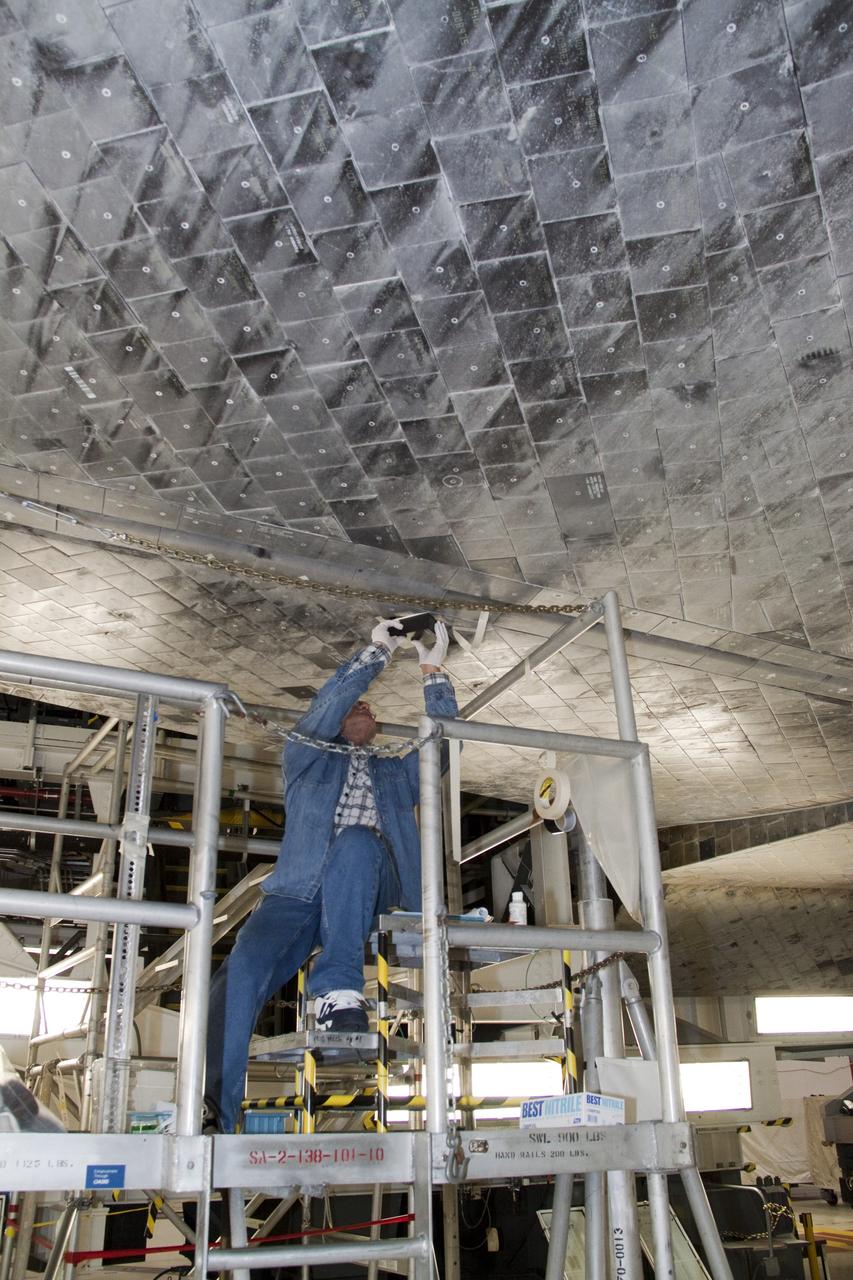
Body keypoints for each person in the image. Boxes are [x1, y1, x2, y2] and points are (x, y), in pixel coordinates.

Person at [204, 617, 458, 1132]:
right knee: (239, 975)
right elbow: (322, 710)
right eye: (354, 705)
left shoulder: (393, 772)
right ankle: (213, 1114)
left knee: (357, 843)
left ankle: (339, 992)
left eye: (368, 705)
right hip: (297, 893)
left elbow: (443, 747)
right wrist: (377, 653)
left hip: (373, 886)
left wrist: (432, 671)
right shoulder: (306, 757)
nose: (363, 707)